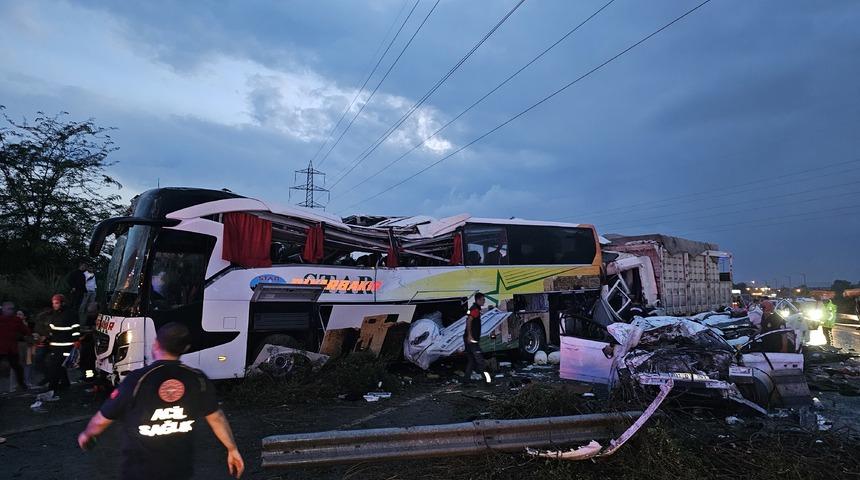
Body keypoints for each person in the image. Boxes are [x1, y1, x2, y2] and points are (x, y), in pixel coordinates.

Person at [77, 322, 245, 480]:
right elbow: (216, 417)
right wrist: (232, 449)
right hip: (179, 470)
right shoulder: (197, 379)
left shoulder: (137, 379)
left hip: (139, 471)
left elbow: (103, 418)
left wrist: (88, 434)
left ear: (156, 344)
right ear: (185, 348)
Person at [42, 294, 80, 396]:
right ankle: (64, 383)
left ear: (62, 303)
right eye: (53, 303)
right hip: (55, 345)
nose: (54, 305)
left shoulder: (71, 314)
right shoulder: (53, 314)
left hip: (66, 345)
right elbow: (51, 328)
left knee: (55, 366)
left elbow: (75, 328)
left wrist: (76, 340)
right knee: (58, 365)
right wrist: (47, 336)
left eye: (56, 303)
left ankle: (52, 387)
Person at [0, 301, 30, 392]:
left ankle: (22, 384)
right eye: (9, 309)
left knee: (17, 367)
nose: (11, 311)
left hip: (11, 348)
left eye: (12, 309)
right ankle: (21, 385)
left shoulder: (16, 320)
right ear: (3, 309)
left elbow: (25, 330)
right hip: (1, 348)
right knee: (16, 367)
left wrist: (27, 336)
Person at [463, 293, 491, 385]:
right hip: (472, 340)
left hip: (469, 339)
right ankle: (488, 380)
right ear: (478, 300)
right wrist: (470, 335)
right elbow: (469, 321)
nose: (484, 301)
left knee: (471, 361)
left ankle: (466, 381)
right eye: (483, 300)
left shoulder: (474, 308)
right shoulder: (474, 309)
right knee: (480, 361)